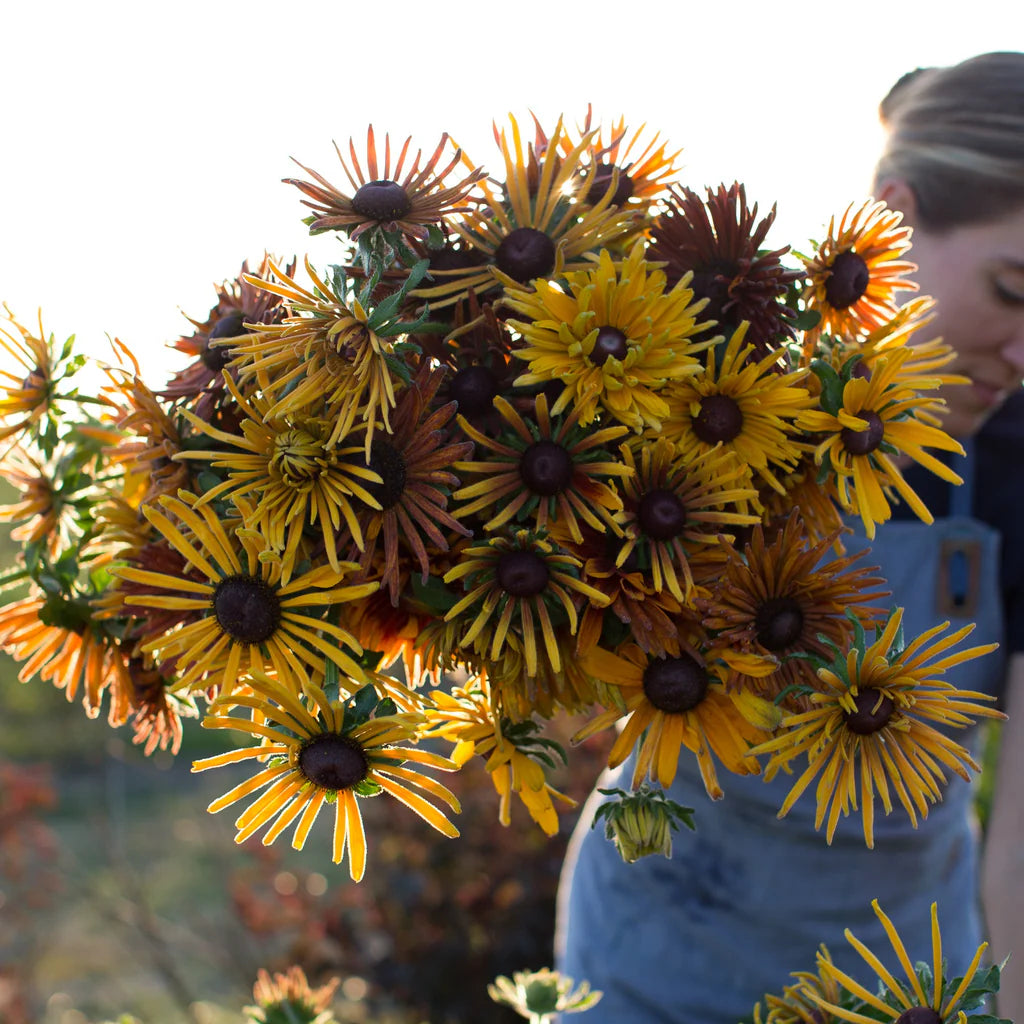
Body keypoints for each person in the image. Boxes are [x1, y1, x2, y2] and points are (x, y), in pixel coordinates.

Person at [555, 51, 1024, 1023]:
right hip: (651, 957)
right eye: (1013, 291)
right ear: (892, 219)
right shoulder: (713, 402)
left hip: (899, 981)